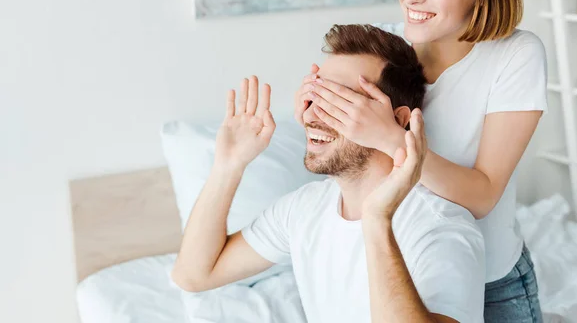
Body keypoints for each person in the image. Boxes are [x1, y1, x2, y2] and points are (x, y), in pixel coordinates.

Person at [294, 0, 547, 321]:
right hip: (408, 265)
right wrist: (318, 111)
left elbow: (482, 195)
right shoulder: (389, 47)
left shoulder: (516, 55)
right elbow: (350, 153)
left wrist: (390, 137)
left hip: (491, 283)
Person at [172, 24, 485, 323]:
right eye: (315, 96)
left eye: (340, 102)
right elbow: (195, 275)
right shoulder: (303, 210)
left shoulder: (441, 229)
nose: (312, 115)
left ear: (398, 119)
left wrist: (377, 219)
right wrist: (228, 166)